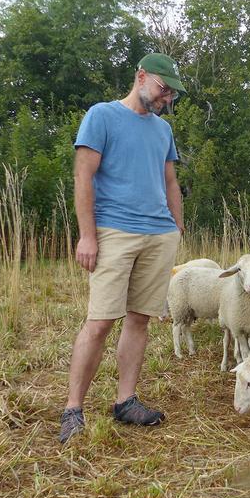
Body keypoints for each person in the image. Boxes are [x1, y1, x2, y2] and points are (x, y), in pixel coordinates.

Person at [59, 53, 186, 444]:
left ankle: (125, 401)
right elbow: (84, 177)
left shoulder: (163, 131)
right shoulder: (102, 116)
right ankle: (73, 409)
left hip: (158, 234)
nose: (167, 99)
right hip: (114, 231)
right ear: (142, 76)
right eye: (164, 89)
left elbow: (170, 183)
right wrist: (87, 235)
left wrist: (177, 230)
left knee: (140, 318)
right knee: (100, 321)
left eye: (172, 95)